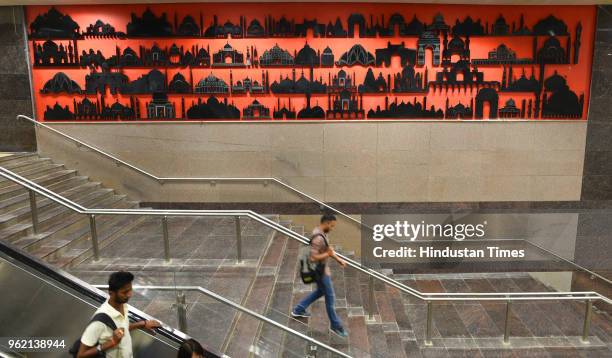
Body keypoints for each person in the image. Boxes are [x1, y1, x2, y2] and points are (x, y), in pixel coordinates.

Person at [77, 271, 161, 358]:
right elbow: (81, 355)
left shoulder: (123, 305)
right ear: (112, 293)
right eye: (124, 292)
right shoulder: (99, 321)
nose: (129, 295)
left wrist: (142, 324)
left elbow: (121, 328)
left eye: (130, 290)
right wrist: (112, 342)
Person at [291, 213, 349, 338]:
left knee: (320, 292)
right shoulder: (318, 238)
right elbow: (313, 258)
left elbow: (327, 250)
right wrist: (328, 255)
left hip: (323, 270)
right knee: (330, 299)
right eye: (332, 226)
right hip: (321, 273)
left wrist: (338, 259)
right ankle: (336, 325)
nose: (332, 228)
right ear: (327, 223)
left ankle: (298, 309)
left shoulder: (321, 232)